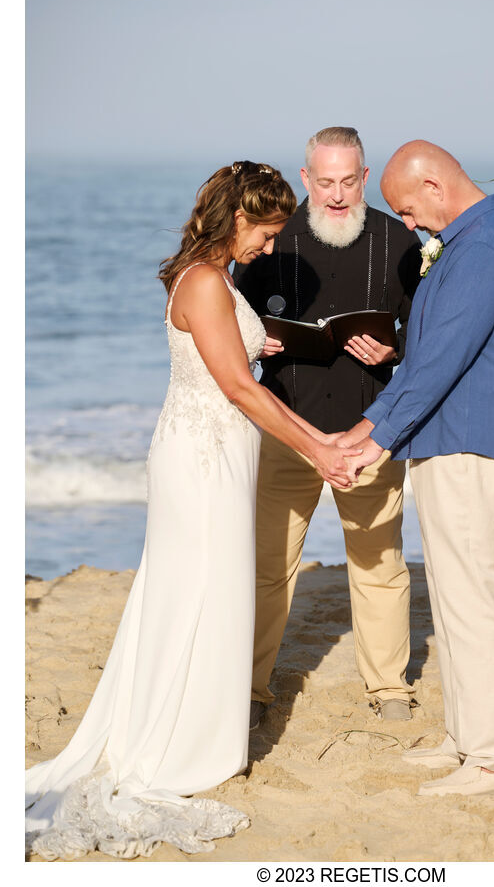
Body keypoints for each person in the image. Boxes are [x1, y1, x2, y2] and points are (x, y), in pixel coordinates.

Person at [25, 162, 359, 860]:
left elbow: (222, 360)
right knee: (199, 591)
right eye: (267, 235)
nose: (269, 250)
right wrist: (320, 447)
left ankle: (196, 734)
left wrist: (256, 339)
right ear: (238, 217)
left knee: (213, 590)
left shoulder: (213, 278)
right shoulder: (207, 281)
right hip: (202, 459)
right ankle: (176, 750)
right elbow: (237, 390)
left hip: (217, 454)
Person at [339, 140, 494, 796]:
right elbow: (423, 360)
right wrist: (372, 429)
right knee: (451, 601)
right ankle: (466, 737)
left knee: (473, 600)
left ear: (433, 183)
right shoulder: (470, 242)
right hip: (448, 443)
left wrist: (372, 441)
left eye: (408, 210)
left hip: (473, 446)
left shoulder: (481, 249)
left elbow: (441, 364)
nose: (411, 226)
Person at [235, 128, 422, 725]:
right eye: (325, 182)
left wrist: (391, 355)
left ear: (365, 179)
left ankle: (389, 688)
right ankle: (251, 689)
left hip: (369, 433)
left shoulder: (400, 242)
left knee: (379, 563)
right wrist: (256, 341)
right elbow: (231, 325)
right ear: (307, 178)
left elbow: (425, 340)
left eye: (348, 182)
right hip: (286, 427)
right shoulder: (274, 243)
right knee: (268, 565)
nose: (337, 195)